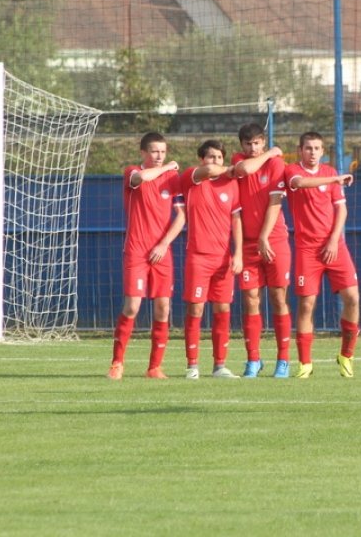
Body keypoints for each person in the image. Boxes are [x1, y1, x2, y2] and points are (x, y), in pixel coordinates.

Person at [108, 132, 185, 380]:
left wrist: (163, 244)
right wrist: (169, 167)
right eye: (154, 151)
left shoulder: (172, 179)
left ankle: (154, 368)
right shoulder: (133, 172)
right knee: (132, 306)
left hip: (162, 252)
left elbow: (182, 216)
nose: (160, 156)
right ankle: (117, 363)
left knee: (163, 308)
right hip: (137, 250)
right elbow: (142, 177)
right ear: (143, 153)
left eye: (163, 152)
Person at [284, 131, 360, 378]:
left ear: (322, 151)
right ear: (300, 150)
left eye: (317, 148)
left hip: (335, 246)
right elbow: (300, 183)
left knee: (353, 298)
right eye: (308, 148)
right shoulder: (293, 171)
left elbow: (342, 211)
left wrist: (334, 241)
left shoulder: (329, 172)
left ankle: (346, 355)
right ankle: (305, 363)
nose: (313, 152)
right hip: (307, 249)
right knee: (306, 304)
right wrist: (336, 179)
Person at [231, 123, 294, 378]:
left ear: (262, 141)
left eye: (257, 143)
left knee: (278, 298)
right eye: (248, 144)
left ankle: (283, 360)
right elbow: (246, 169)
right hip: (248, 244)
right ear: (241, 145)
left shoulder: (277, 165)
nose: (253, 148)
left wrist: (264, 237)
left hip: (274, 241)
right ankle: (253, 360)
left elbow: (275, 202)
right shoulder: (240, 160)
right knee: (251, 300)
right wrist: (270, 152)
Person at [180, 139, 243, 379]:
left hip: (223, 258)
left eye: (219, 157)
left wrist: (238, 253)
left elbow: (236, 221)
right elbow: (208, 171)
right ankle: (192, 366)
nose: (215, 161)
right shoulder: (193, 178)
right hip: (198, 257)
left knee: (223, 308)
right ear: (201, 160)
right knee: (196, 309)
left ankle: (219, 366)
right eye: (211, 157)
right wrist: (230, 169)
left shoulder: (231, 183)